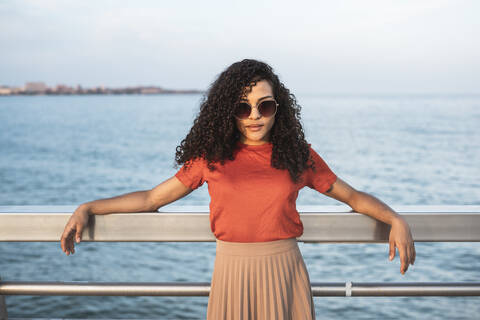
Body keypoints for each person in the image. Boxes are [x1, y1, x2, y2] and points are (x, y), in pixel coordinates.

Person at [60, 58, 416, 319]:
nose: (254, 115)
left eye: (265, 105)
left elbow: (351, 197)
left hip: (284, 272)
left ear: (279, 109)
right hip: (230, 273)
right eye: (243, 107)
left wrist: (395, 218)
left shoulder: (297, 155)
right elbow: (152, 199)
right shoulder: (211, 157)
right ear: (228, 111)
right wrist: (89, 207)